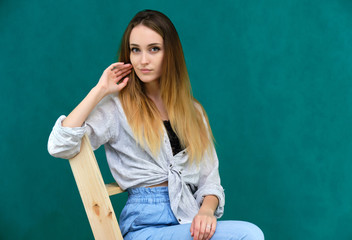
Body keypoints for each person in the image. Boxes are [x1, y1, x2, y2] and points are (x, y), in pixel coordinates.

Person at [48, 9, 264, 240]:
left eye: (154, 49)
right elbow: (59, 146)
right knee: (248, 236)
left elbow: (209, 181)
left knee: (250, 234)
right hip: (145, 226)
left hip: (188, 218)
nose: (143, 60)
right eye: (135, 50)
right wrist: (99, 90)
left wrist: (206, 212)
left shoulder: (193, 111)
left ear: (170, 52)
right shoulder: (116, 108)